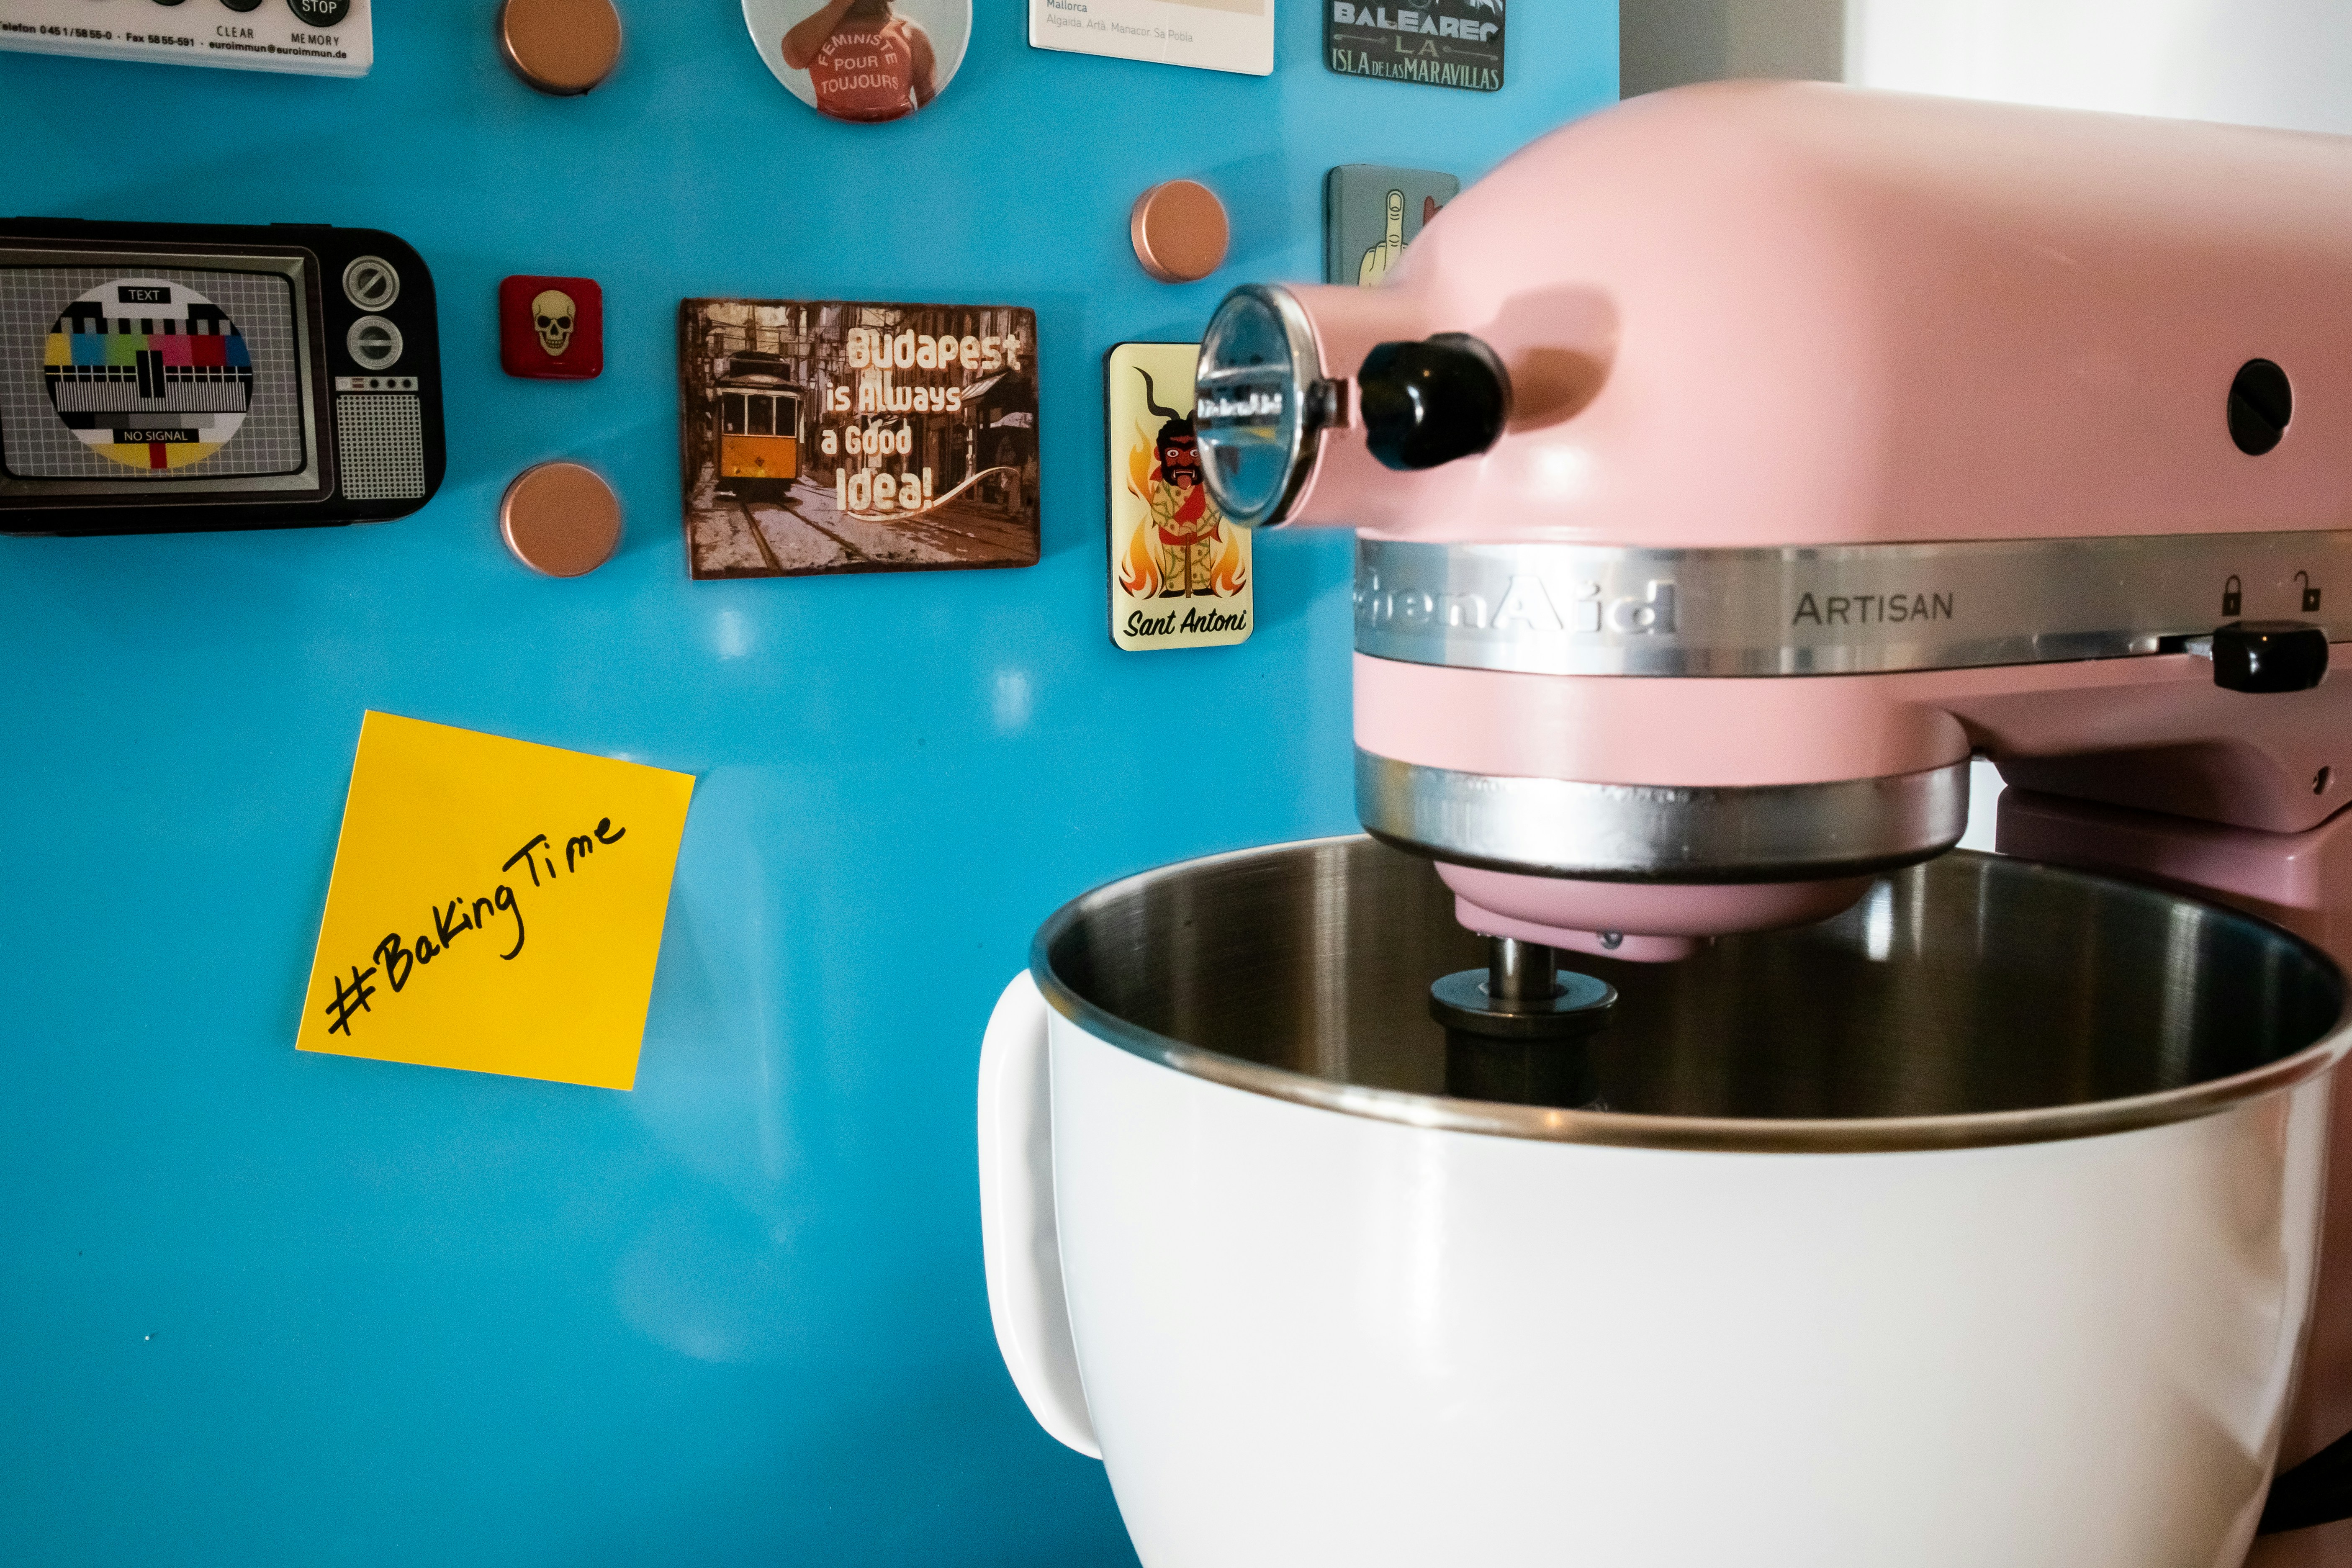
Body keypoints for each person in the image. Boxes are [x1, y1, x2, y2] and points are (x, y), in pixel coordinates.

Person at [781, 0, 938, 124]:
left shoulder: (909, 33)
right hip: (836, 142)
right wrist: (840, 4)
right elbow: (793, 57)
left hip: (897, 140)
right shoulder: (817, 33)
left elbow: (931, 113)